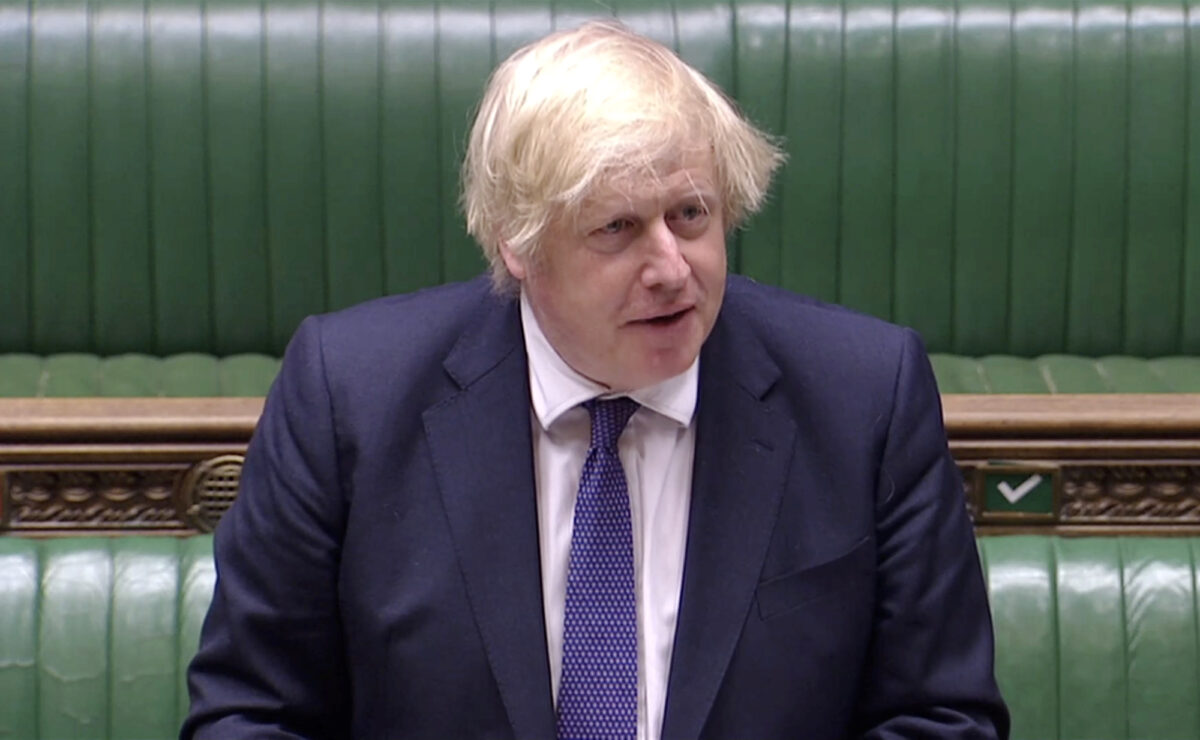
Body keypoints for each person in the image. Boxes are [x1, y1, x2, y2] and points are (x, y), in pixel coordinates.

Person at [182, 20, 1008, 740]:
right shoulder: (348, 396)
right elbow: (250, 712)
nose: (671, 269)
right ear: (518, 244)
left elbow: (942, 716)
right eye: (617, 228)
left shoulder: (865, 395)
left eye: (691, 216)